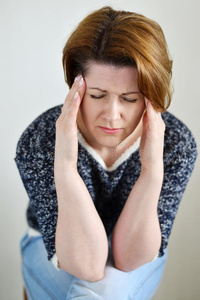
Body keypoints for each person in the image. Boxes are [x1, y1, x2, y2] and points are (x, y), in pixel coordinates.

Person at [14, 6, 197, 300]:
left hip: (138, 253)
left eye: (129, 98)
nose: (112, 116)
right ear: (76, 83)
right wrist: (65, 166)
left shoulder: (176, 143)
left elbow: (130, 258)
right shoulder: (39, 141)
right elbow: (86, 264)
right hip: (54, 249)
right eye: (98, 96)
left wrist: (151, 171)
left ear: (151, 94)